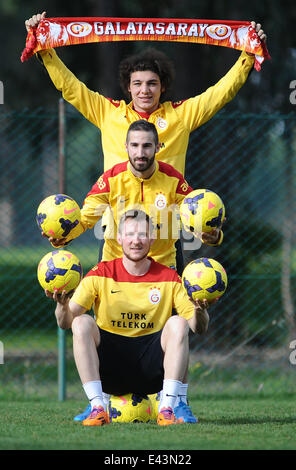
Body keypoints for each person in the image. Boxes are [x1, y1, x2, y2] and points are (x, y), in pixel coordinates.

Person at [42, 120, 222, 423]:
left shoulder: (173, 180)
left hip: (163, 268)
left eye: (147, 145)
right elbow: (86, 216)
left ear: (157, 148)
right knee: (89, 323)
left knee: (178, 326)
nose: (140, 151)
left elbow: (198, 212)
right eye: (135, 145)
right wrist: (66, 234)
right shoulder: (111, 179)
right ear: (126, 148)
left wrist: (212, 234)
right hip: (115, 272)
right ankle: (97, 404)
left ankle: (175, 403)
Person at [45, 209, 211, 426]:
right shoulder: (100, 273)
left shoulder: (169, 277)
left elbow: (198, 328)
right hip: (110, 371)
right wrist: (62, 305)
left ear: (152, 238)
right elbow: (65, 322)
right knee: (81, 322)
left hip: (154, 372)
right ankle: (97, 407)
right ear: (119, 238)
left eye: (142, 234)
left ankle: (167, 408)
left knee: (178, 323)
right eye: (130, 234)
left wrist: (200, 311)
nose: (136, 241)